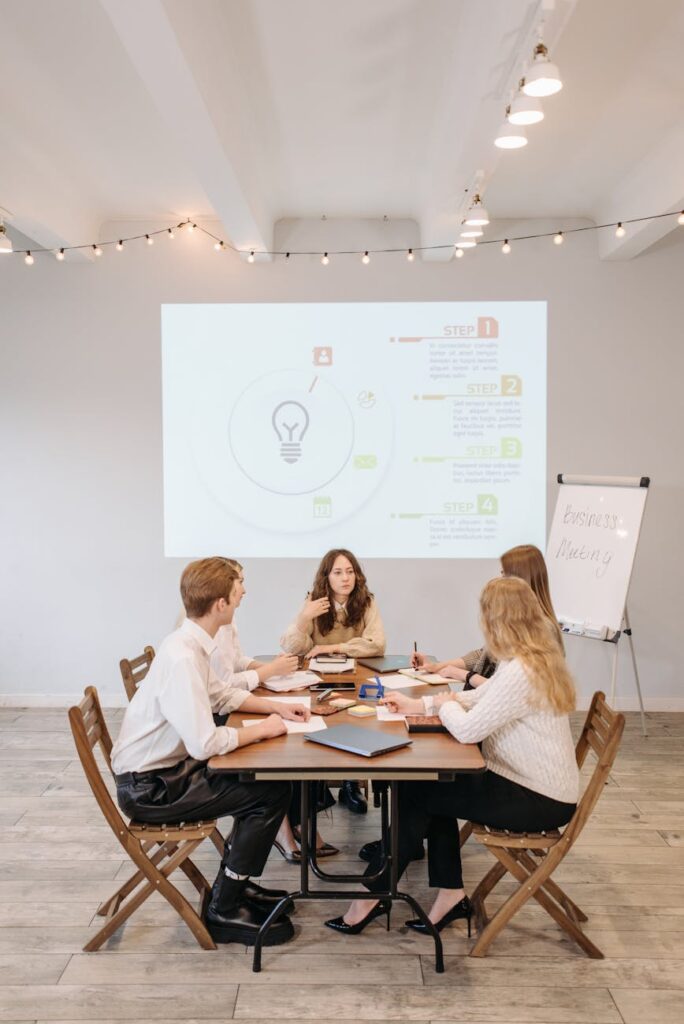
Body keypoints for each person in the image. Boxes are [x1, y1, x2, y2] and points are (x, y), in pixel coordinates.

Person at [327, 575, 578, 936]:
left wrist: (442, 706)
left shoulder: (522, 670)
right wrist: (420, 704)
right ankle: (445, 894)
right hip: (529, 783)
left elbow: (468, 729)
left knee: (417, 791)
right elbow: (480, 699)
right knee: (428, 786)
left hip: (537, 798)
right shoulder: (526, 658)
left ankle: (375, 894)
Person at [111, 556, 312, 947]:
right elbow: (205, 743)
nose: (243, 596)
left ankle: (235, 884)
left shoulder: (188, 644)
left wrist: (277, 708)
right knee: (269, 792)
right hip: (151, 789)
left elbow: (220, 695)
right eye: (238, 593)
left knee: (263, 782)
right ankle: (224, 906)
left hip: (167, 773)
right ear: (220, 604)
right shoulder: (184, 656)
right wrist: (267, 730)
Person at [281, 548, 385, 817]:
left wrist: (334, 647)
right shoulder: (314, 602)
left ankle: (352, 784)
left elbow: (377, 644)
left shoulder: (366, 602)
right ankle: (318, 786)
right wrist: (304, 617)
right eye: (338, 572)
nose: (345, 578)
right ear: (326, 577)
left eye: (350, 572)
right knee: (319, 726)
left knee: (359, 723)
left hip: (356, 679)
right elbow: (293, 647)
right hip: (317, 681)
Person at [411, 544, 562, 688]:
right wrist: (437, 666)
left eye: (504, 575)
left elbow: (506, 691)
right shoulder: (517, 621)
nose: (499, 581)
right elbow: (484, 655)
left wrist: (464, 675)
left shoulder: (541, 630)